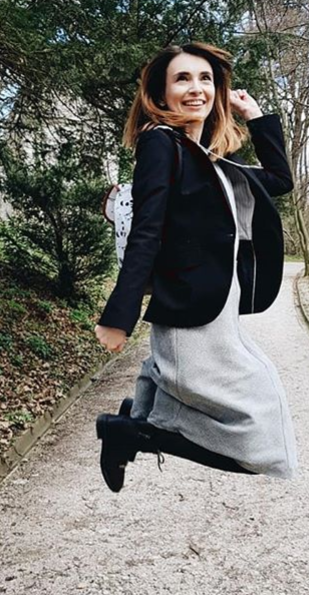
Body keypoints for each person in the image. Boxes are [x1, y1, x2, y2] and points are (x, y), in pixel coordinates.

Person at [94, 42, 298, 492]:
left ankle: (135, 422)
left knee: (255, 419)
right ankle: (129, 431)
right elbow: (147, 230)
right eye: (182, 79)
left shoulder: (210, 158)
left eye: (205, 79)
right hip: (188, 308)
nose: (196, 89)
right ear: (160, 94)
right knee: (258, 436)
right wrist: (119, 314)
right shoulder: (159, 144)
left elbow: (279, 181)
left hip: (217, 307)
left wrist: (254, 115)